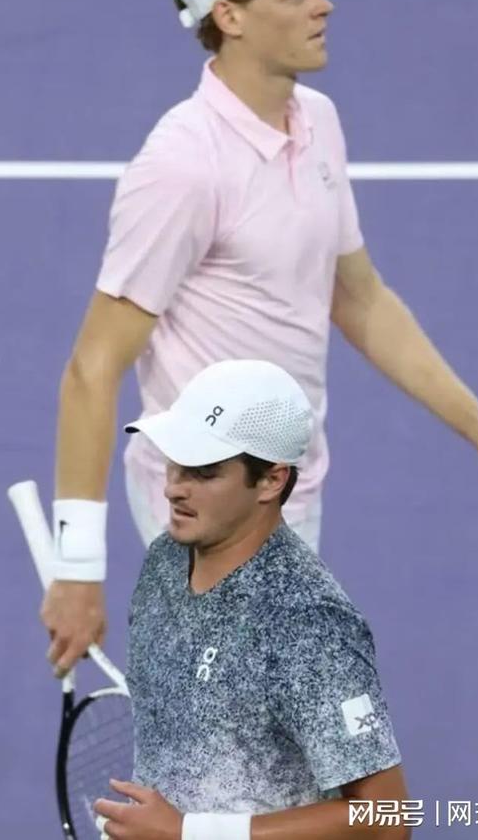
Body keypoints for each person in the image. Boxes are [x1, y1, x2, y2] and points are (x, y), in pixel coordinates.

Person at [42, 0, 478, 679]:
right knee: (256, 724)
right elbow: (92, 368)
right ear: (231, 15)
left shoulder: (316, 121)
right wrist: (78, 568)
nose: (325, 6)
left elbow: (359, 298)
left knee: (267, 725)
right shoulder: (182, 168)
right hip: (209, 505)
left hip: (285, 482)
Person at [94, 359, 412, 840]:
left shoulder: (307, 620)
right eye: (175, 460)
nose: (173, 486)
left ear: (271, 480)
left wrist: (191, 833)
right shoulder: (164, 561)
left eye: (204, 471)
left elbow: (388, 818)